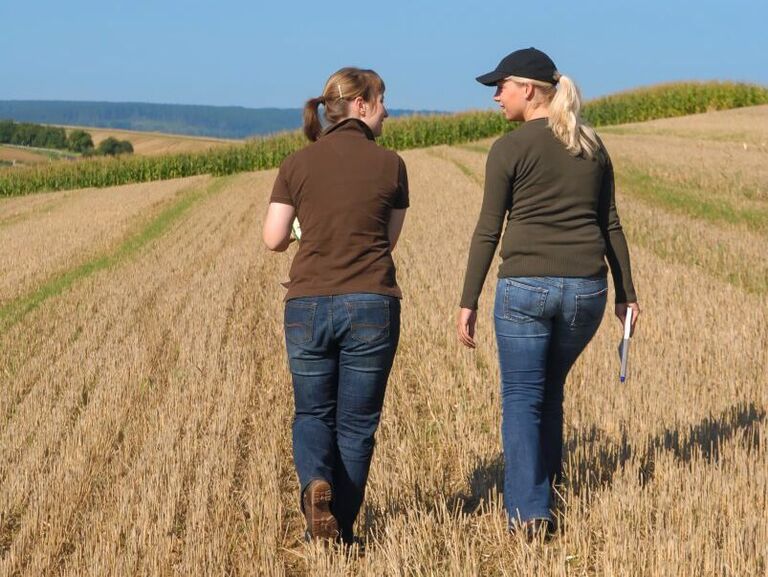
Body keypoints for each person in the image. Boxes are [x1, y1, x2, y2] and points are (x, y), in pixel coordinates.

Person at [456, 48, 640, 540]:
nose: (496, 96)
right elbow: (611, 225)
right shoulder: (593, 146)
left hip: (524, 289)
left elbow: (487, 230)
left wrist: (468, 300)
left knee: (521, 397)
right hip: (587, 293)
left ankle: (529, 512)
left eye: (502, 86)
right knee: (548, 389)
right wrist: (627, 294)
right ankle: (549, 483)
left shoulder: (509, 148)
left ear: (529, 90)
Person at [262, 67, 409, 546]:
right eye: (383, 99)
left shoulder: (297, 163)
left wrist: (308, 231)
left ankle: (314, 487)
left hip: (306, 305)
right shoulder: (392, 165)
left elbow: (273, 239)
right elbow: (387, 243)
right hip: (371, 303)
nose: (388, 109)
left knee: (311, 415)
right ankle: (339, 530)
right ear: (362, 104)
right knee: (356, 425)